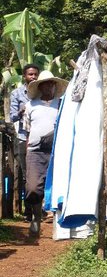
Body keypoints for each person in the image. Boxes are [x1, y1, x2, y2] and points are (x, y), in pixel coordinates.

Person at [23, 71, 67, 237]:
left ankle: (58, 221)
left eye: (51, 83)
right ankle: (36, 217)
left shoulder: (61, 105)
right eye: (45, 84)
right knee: (33, 187)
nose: (49, 86)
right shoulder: (30, 106)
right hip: (35, 151)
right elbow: (27, 131)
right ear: (40, 87)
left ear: (55, 86)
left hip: (57, 151)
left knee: (57, 186)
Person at [10, 64, 39, 221]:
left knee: (41, 175)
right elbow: (12, 117)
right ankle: (29, 212)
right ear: (24, 76)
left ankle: (40, 210)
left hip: (41, 139)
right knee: (27, 175)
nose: (33, 77)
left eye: (35, 74)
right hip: (23, 138)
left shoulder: (42, 93)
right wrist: (23, 110)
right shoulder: (17, 93)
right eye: (30, 75)